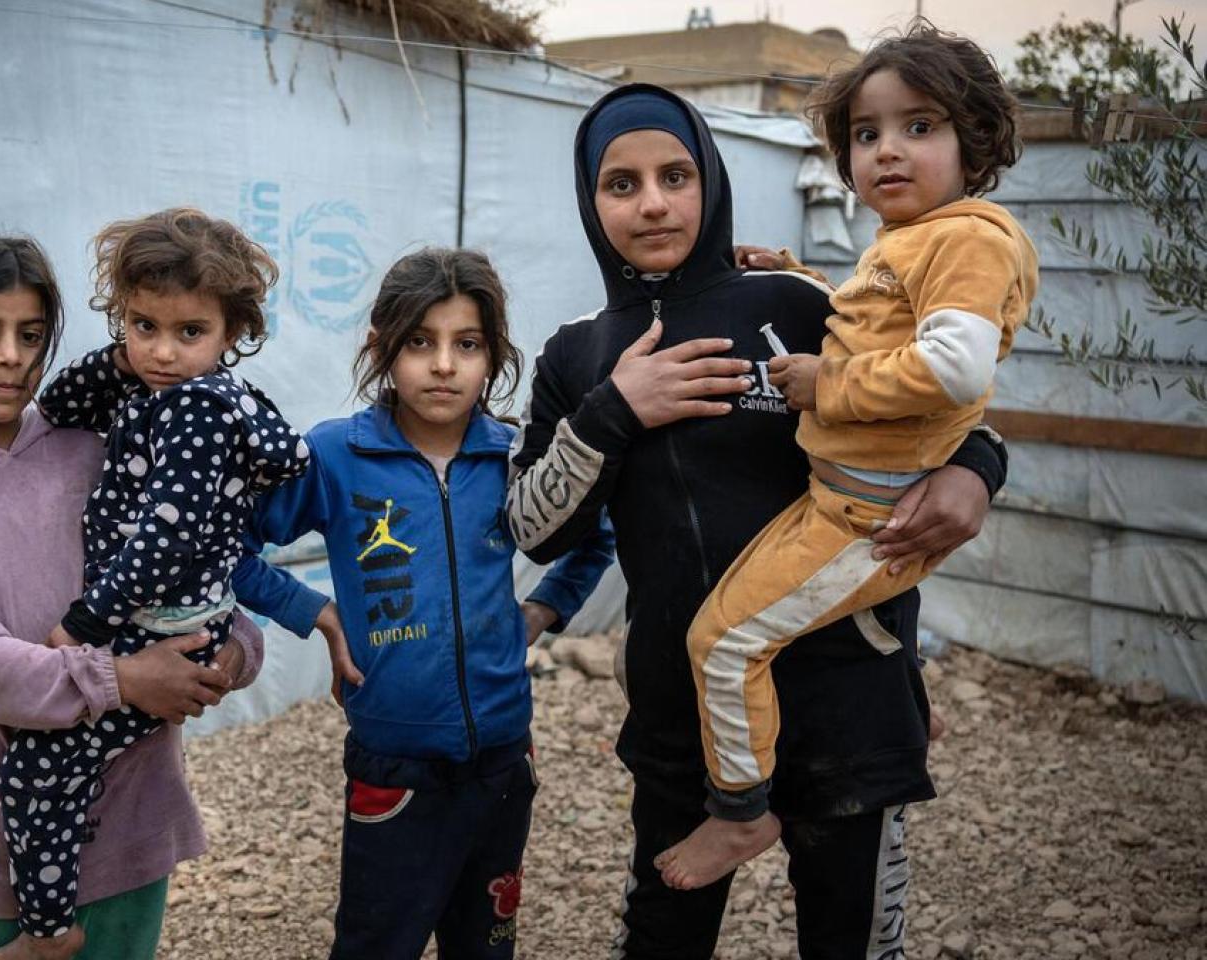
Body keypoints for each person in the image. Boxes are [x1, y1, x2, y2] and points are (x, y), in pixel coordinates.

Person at [505, 85, 1008, 958]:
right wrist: (613, 411)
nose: (653, 202)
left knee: (850, 940)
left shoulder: (797, 301)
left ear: (715, 180)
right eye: (620, 184)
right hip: (681, 713)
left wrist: (979, 468)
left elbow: (932, 403)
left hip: (849, 695)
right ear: (590, 202)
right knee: (663, 937)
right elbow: (532, 527)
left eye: (676, 175)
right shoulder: (577, 352)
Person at [659, 22, 1038, 891]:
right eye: (867, 134)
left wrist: (827, 383)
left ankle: (740, 813)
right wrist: (800, 274)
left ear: (974, 141)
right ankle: (899, 698)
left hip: (871, 517)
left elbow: (954, 364)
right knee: (756, 621)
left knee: (722, 643)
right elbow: (885, 320)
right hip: (840, 500)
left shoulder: (969, 240)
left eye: (920, 126)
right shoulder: (913, 240)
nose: (887, 151)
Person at [0, 232, 263, 960]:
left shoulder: (92, 445)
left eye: (31, 335)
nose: (11, 356)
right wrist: (124, 679)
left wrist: (234, 649)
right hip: (19, 845)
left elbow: (193, 566)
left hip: (139, 817)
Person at [233, 248, 617, 959]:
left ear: (493, 355)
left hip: (504, 756)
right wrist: (316, 613)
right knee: (378, 943)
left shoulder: (512, 457)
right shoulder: (334, 456)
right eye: (420, 342)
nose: (444, 365)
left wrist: (541, 613)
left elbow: (594, 537)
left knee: (486, 943)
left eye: (466, 344)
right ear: (381, 347)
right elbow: (230, 546)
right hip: (393, 763)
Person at [0, 208, 309, 955]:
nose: (163, 351)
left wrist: (84, 625)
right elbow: (60, 406)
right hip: (161, 621)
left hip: (160, 627)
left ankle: (47, 935)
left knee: (37, 764)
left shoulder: (198, 410)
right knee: (51, 760)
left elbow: (165, 541)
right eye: (143, 325)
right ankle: (57, 909)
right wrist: (120, 361)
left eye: (190, 332)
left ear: (233, 333)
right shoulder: (160, 387)